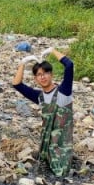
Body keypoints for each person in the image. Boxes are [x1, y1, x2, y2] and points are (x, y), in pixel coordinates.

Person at [12, 47, 74, 177]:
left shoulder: (64, 91)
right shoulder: (39, 97)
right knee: (42, 167)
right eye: (39, 75)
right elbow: (17, 84)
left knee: (60, 172)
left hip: (62, 145)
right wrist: (23, 63)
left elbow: (69, 65)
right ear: (35, 79)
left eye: (45, 73)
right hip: (46, 144)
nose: (42, 77)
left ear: (51, 74)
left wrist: (52, 51)